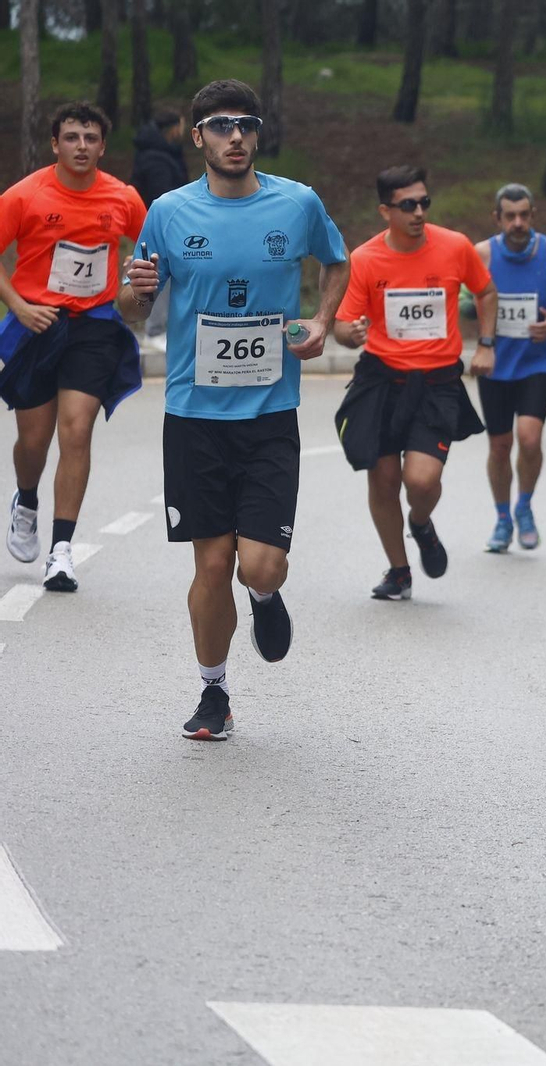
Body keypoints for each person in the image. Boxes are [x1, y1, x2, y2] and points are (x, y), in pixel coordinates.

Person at [118, 79, 349, 741]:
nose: (236, 136)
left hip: (270, 414)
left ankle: (266, 595)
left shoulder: (297, 203)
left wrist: (322, 321)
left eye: (246, 124)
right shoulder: (168, 212)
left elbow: (337, 262)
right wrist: (135, 291)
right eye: (221, 126)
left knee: (259, 565)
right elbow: (133, 307)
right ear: (198, 137)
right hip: (194, 417)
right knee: (213, 563)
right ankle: (213, 690)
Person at [1, 101, 147, 593]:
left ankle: (61, 551)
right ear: (54, 144)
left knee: (77, 430)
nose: (81, 146)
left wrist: (138, 278)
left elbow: (154, 244)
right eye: (71, 137)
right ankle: (26, 499)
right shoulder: (26, 195)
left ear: (102, 147)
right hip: (37, 324)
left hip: (94, 326)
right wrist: (19, 306)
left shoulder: (123, 197)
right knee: (34, 442)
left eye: (90, 138)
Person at [333, 166, 493, 600]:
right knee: (383, 479)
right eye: (408, 205)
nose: (419, 212)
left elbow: (485, 291)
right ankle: (399, 571)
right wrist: (351, 334)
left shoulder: (455, 246)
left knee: (421, 481)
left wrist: (486, 344)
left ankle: (420, 523)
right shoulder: (366, 259)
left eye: (424, 202)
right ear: (386, 211)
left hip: (437, 382)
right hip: (382, 380)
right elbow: (342, 324)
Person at [474, 184, 546, 552]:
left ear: (533, 215)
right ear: (497, 218)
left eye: (524, 215)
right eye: (510, 216)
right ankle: (502, 518)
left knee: (529, 438)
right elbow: (461, 300)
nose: (518, 222)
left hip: (537, 360)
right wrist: (486, 311)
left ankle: (523, 506)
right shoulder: (482, 254)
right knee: (499, 446)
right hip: (495, 363)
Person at [129, 109, 188, 336]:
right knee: (157, 274)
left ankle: (161, 328)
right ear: (173, 128)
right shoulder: (157, 159)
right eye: (181, 126)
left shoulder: (164, 152)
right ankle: (155, 330)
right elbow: (161, 196)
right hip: (162, 229)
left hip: (169, 226)